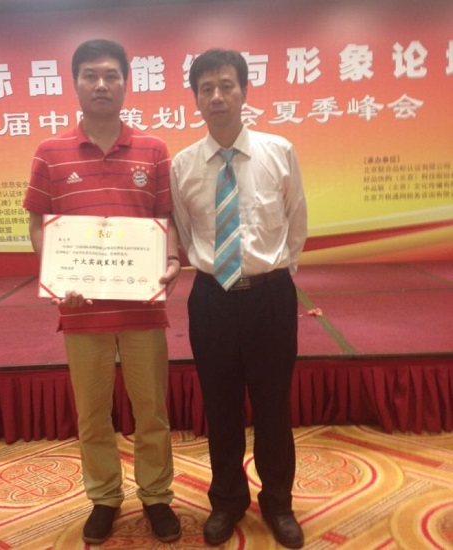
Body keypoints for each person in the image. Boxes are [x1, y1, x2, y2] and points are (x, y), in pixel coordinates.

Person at [23, 39, 181, 545]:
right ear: (75, 83)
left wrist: (172, 259)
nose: (101, 84)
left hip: (142, 307)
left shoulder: (154, 150)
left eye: (111, 75)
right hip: (82, 309)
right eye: (90, 75)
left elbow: (164, 218)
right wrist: (55, 274)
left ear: (126, 83)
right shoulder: (50, 152)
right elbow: (37, 223)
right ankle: (105, 497)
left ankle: (156, 495)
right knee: (92, 414)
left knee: (151, 411)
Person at [171, 48, 308, 548]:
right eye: (206, 88)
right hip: (212, 300)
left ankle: (278, 502)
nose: (217, 96)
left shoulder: (279, 151)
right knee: (221, 407)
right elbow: (185, 234)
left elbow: (297, 223)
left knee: (273, 406)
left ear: (244, 91)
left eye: (226, 85)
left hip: (270, 298)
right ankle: (227, 501)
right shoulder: (183, 166)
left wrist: (273, 275)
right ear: (195, 98)